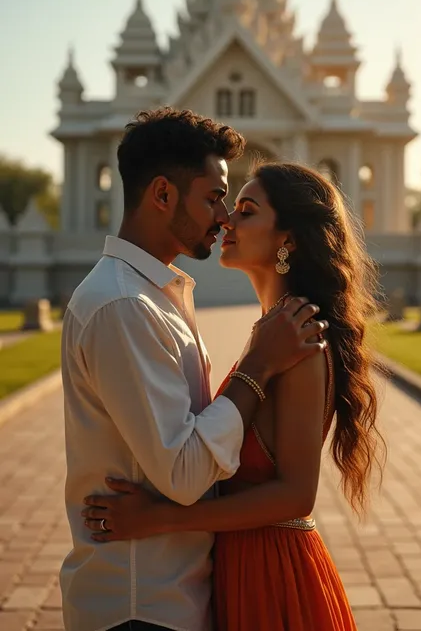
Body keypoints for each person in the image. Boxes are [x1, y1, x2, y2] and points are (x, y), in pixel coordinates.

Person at [82, 160, 387, 631]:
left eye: (245, 210)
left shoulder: (300, 340)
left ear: (287, 238)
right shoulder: (274, 331)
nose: (226, 219)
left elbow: (296, 495)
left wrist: (157, 519)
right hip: (239, 564)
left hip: (274, 573)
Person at [61, 108, 329, 631]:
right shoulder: (124, 305)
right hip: (141, 598)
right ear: (162, 195)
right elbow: (185, 473)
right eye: (214, 197)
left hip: (189, 589)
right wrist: (257, 363)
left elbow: (287, 486)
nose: (225, 215)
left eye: (237, 205)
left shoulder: (157, 298)